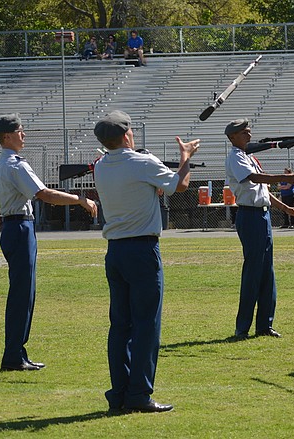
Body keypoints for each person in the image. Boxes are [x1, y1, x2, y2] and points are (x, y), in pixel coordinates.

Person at [92, 111, 198, 412]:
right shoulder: (143, 162)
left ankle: (119, 393)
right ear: (127, 135)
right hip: (142, 249)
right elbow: (180, 185)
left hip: (115, 250)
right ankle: (139, 393)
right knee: (146, 325)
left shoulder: (100, 166)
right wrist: (186, 157)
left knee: (120, 326)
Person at [0, 114, 98, 372]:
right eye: (19, 131)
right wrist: (80, 199)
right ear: (7, 136)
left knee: (23, 293)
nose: (23, 135)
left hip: (14, 227)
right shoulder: (16, 165)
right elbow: (45, 194)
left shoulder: (1, 162)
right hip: (20, 227)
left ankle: (16, 352)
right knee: (23, 295)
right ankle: (13, 355)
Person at [224, 118, 294, 339]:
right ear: (233, 137)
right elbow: (253, 178)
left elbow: (263, 190)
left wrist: (286, 209)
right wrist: (285, 177)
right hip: (250, 216)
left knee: (266, 272)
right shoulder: (235, 157)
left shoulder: (249, 157)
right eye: (244, 132)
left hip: (262, 215)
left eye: (249, 131)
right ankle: (242, 327)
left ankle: (264, 324)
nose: (249, 135)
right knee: (253, 271)